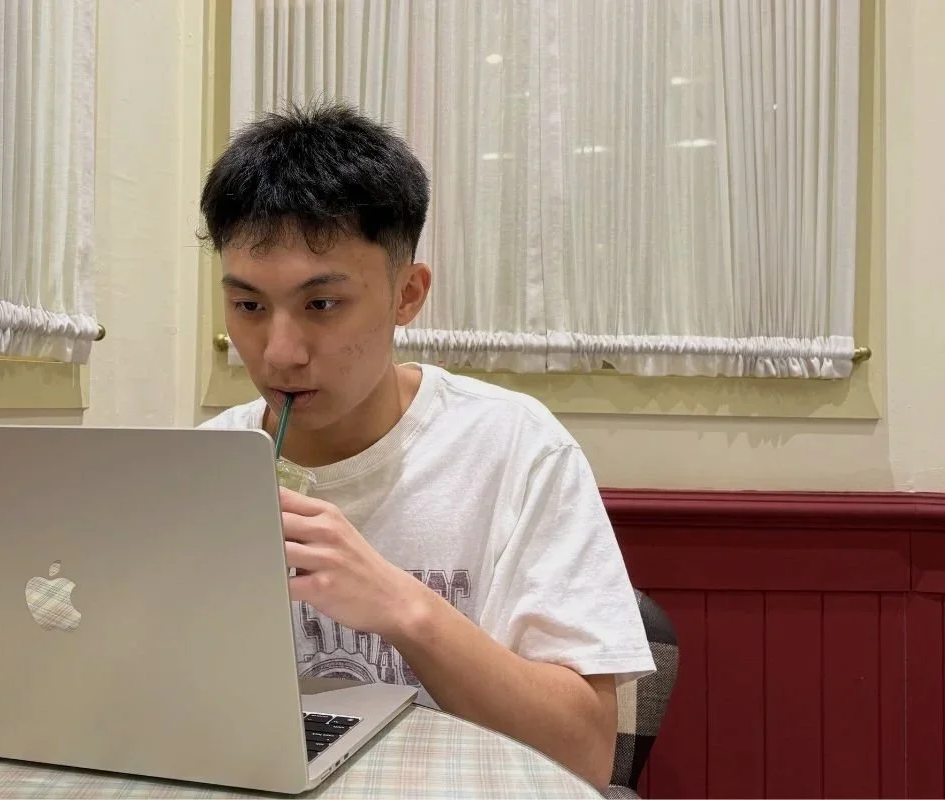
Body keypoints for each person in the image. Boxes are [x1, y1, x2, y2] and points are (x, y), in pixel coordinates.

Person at [197, 102, 654, 790]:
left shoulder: (514, 448)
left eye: (321, 305)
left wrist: (406, 609)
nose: (279, 353)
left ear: (407, 294)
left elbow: (586, 755)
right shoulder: (207, 468)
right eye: (249, 307)